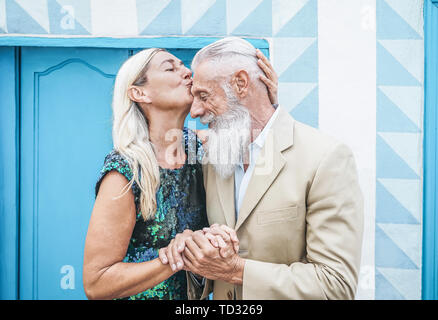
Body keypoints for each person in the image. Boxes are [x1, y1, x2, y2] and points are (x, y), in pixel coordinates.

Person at [162, 37, 364, 300]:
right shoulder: (212, 158)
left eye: (203, 95)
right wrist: (199, 259)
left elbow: (335, 285)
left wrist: (236, 270)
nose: (196, 111)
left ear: (241, 83)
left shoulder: (326, 158)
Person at [82, 47, 278, 300]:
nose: (187, 72)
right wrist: (177, 257)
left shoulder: (203, 148)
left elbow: (262, 141)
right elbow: (96, 283)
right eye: (170, 68)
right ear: (139, 93)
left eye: (184, 65)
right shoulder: (125, 172)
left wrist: (262, 98)